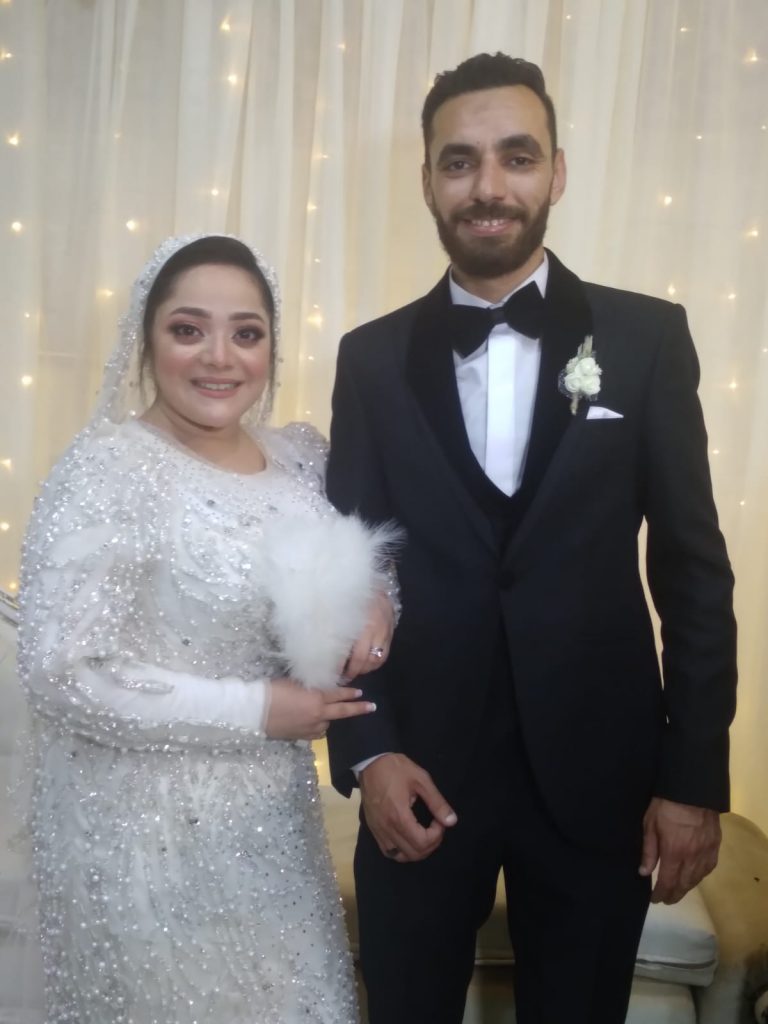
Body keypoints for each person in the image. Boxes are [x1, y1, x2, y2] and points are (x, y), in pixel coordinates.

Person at [325, 53, 737, 1024]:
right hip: (419, 775)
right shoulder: (369, 359)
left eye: (516, 156)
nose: (488, 186)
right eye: (459, 161)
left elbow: (692, 571)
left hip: (601, 780)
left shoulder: (647, 339)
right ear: (427, 180)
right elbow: (343, 577)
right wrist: (370, 753)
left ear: (558, 172)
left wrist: (692, 781)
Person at [16, 233, 396, 1024]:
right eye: (188, 329)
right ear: (147, 340)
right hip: (145, 847)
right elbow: (61, 674)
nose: (219, 357)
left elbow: (363, 555)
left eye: (246, 333)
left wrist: (377, 598)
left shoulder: (299, 459)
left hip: (272, 834)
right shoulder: (107, 472)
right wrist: (256, 709)